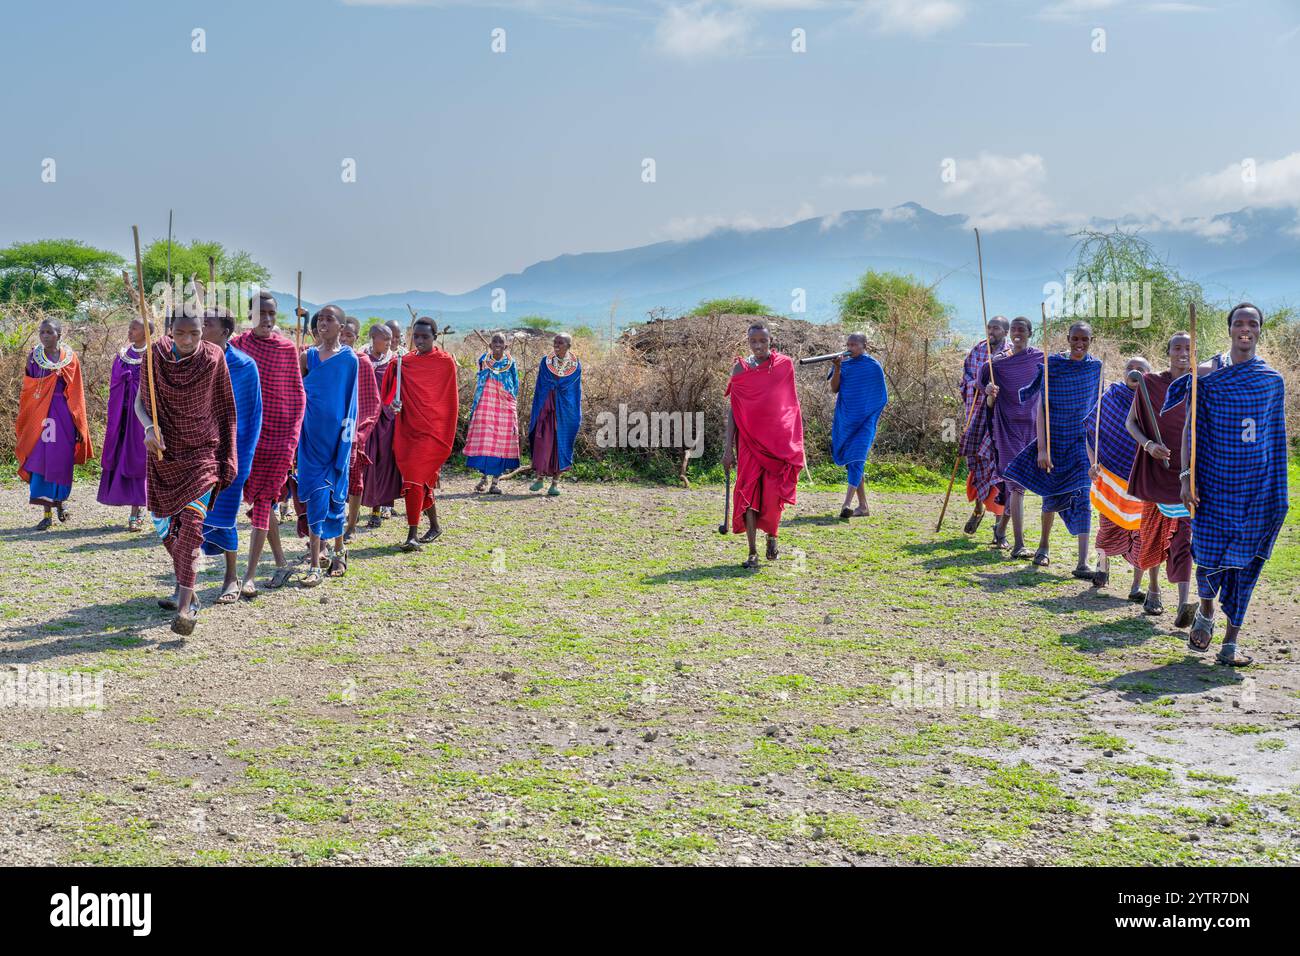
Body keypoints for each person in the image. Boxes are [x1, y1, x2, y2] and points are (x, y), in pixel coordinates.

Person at [1166, 304, 1288, 667]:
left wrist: (1276, 492)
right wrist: (1186, 477)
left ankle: (1231, 642)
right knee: (1206, 553)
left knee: (1247, 564)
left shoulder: (1271, 381)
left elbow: (1275, 439)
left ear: (1260, 330)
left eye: (1252, 324)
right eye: (1239, 323)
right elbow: (1190, 428)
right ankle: (1205, 609)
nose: (1245, 329)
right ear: (1230, 329)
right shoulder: (1208, 376)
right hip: (1214, 486)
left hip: (1256, 491)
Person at [136, 312, 237, 636]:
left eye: (195, 333)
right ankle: (188, 589)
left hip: (203, 453)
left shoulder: (213, 357)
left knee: (193, 524)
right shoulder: (154, 357)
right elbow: (140, 403)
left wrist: (227, 454)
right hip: (166, 453)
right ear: (170, 332)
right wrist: (149, 427)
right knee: (167, 529)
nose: (189, 340)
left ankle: (184, 609)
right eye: (181, 334)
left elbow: (224, 407)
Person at [1003, 321, 1103, 573]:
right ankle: (1044, 548)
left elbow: (1096, 409)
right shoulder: (1054, 367)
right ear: (1068, 339)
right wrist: (1043, 449)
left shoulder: (1096, 368)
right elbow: (1042, 409)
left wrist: (1097, 449)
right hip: (1055, 438)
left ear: (1092, 340)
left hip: (1081, 442)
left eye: (1085, 340)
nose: (1079, 344)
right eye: (1075, 339)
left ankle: (1082, 562)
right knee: (1051, 494)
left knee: (1083, 496)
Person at [229, 292, 306, 596]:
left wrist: (293, 439)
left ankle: (247, 576)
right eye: (261, 313)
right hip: (246, 437)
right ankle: (281, 563)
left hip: (278, 437)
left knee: (264, 501)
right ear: (250, 315)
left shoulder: (287, 349)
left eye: (272, 314)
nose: (268, 320)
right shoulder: (237, 346)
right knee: (260, 502)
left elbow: (298, 396)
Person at [722, 323, 805, 569]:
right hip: (747, 442)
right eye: (753, 341)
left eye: (763, 341)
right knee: (747, 494)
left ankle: (772, 536)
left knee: (771, 495)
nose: (758, 346)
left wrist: (791, 439)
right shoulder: (741, 368)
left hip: (776, 443)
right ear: (748, 342)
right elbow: (734, 411)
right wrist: (728, 449)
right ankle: (752, 552)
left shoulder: (783, 365)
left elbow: (790, 406)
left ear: (770, 341)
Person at [1126, 332, 1195, 627]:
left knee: (1185, 539)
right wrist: (1148, 445)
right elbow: (1131, 423)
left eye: (1188, 348)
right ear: (1168, 352)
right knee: (1153, 531)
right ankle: (1153, 589)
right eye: (1177, 348)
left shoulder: (1200, 384)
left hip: (1189, 470)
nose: (1182, 353)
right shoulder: (1150, 383)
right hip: (1157, 470)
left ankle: (1183, 604)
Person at [199, 308, 263, 604]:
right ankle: (183, 585)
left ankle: (230, 577)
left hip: (229, 458)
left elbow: (251, 419)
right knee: (187, 521)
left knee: (223, 517)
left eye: (207, 324)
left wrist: (241, 462)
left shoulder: (244, 366)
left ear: (225, 332)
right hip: (195, 456)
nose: (200, 328)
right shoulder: (191, 360)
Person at [381, 316, 459, 551]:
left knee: (414, 478)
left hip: (434, 431)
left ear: (435, 337)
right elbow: (389, 393)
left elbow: (449, 402)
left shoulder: (445, 363)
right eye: (416, 336)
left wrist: (442, 429)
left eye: (425, 337)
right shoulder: (403, 362)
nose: (420, 340)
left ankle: (412, 534)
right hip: (408, 430)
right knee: (420, 481)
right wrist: (392, 403)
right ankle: (434, 526)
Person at [294, 306, 358, 585]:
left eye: (329, 319)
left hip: (337, 439)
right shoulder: (306, 357)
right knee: (315, 496)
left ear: (342, 326)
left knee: (336, 495)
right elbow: (296, 395)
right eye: (320, 319)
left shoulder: (349, 359)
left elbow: (351, 402)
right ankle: (314, 562)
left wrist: (346, 441)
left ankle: (339, 551)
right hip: (310, 439)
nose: (323, 323)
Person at [969, 316, 1041, 556]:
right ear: (1010, 334)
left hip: (1032, 428)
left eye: (1023, 330)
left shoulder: (1040, 358)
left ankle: (1000, 529)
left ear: (1031, 332)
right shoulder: (997, 363)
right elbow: (981, 381)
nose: (1018, 334)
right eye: (1015, 330)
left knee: (1018, 486)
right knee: (1015, 484)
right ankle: (1019, 545)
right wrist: (989, 390)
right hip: (1006, 427)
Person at [15, 320, 92, 530]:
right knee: (41, 461)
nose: (45, 336)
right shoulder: (34, 357)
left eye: (49, 332)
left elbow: (76, 393)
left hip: (65, 415)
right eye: (42, 332)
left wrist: (78, 424)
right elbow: (29, 389)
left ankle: (61, 504)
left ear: (59, 334)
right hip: (40, 414)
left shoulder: (70, 358)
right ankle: (46, 513)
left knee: (61, 460)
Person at [1089, 357, 1153, 604]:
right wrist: (1093, 463)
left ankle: (1136, 586)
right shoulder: (1111, 398)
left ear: (1149, 375)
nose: (1135, 372)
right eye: (1130, 368)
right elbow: (1090, 432)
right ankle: (1102, 567)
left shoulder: (1155, 402)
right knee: (1107, 527)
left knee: (1142, 533)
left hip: (1142, 480)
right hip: (1112, 479)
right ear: (1123, 372)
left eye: (1141, 369)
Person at [827, 332, 887, 520]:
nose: (850, 348)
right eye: (848, 344)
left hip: (866, 422)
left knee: (858, 459)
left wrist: (868, 414)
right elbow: (834, 389)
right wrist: (837, 368)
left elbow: (881, 397)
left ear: (864, 345)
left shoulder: (873, 366)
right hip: (847, 420)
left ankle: (846, 504)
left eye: (854, 344)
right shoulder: (843, 364)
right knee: (854, 461)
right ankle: (863, 506)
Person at [959, 316, 1012, 533]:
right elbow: (965, 380)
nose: (991, 331)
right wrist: (981, 386)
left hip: (1000, 420)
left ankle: (999, 524)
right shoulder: (977, 350)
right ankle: (979, 509)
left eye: (996, 328)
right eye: (989, 327)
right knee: (978, 460)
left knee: (999, 467)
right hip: (976, 414)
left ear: (1006, 332)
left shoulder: (1010, 354)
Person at [97, 318, 149, 530]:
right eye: (129, 328)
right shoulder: (122, 356)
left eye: (134, 328)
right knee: (121, 456)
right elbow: (115, 384)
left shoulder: (155, 355)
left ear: (146, 331)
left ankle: (137, 511)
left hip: (143, 418)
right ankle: (130, 504)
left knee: (140, 459)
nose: (130, 331)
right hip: (123, 415)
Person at [339, 316, 380, 543]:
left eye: (350, 336)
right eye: (342, 334)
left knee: (355, 480)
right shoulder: (328, 358)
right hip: (330, 431)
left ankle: (351, 526)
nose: (344, 339)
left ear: (356, 338)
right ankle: (331, 524)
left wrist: (360, 433)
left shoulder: (361, 362)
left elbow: (371, 403)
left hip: (354, 431)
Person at [464, 333, 521, 494]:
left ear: (506, 346)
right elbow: (480, 378)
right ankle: (483, 479)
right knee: (484, 441)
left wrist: (511, 404)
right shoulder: (483, 360)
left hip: (504, 408)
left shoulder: (511, 362)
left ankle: (495, 482)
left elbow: (515, 384)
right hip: (485, 406)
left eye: (500, 341)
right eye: (494, 341)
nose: (497, 343)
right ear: (490, 345)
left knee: (501, 442)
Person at [528, 333, 582, 496]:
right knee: (543, 442)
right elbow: (542, 385)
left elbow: (573, 390)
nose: (556, 345)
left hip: (565, 412)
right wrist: (549, 398)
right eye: (555, 342)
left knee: (561, 445)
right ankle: (539, 479)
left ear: (568, 346)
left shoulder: (575, 365)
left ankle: (555, 484)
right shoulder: (546, 362)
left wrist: (558, 392)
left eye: (561, 342)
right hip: (546, 409)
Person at [360, 322, 403, 525]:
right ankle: (353, 509)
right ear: (372, 338)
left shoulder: (394, 361)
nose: (388, 343)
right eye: (384, 339)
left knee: (383, 463)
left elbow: (398, 389)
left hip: (387, 420)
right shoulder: (360, 359)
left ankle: (377, 511)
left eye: (390, 339)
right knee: (363, 463)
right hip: (365, 419)